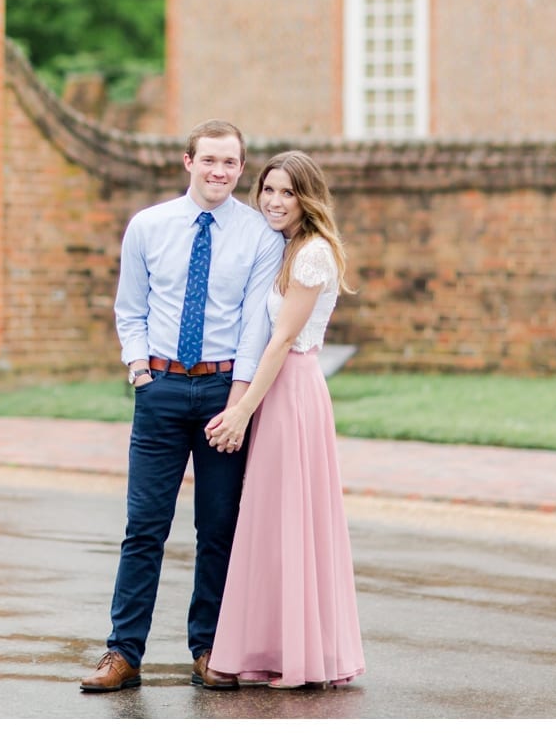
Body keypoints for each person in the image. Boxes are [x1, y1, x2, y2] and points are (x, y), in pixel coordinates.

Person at [80, 120, 285, 693]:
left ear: (242, 169)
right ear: (188, 161)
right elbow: (131, 305)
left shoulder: (260, 236)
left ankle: (210, 649)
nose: (220, 172)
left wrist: (241, 403)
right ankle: (123, 652)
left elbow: (255, 324)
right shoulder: (148, 226)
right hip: (161, 389)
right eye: (210, 160)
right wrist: (138, 366)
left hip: (225, 392)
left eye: (232, 163)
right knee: (144, 526)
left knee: (218, 527)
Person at [203, 150, 366, 690]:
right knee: (270, 520)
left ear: (307, 197)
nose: (274, 201)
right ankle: (271, 646)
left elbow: (283, 339)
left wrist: (240, 412)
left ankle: (299, 656)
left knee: (292, 518)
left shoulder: (313, 254)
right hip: (277, 389)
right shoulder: (284, 248)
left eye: (287, 192)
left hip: (292, 391)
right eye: (268, 190)